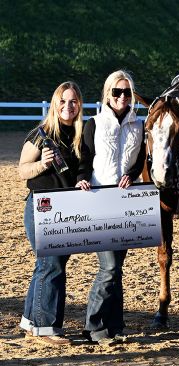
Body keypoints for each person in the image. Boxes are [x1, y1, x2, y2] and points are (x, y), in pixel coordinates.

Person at [76, 70, 146, 345]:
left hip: (126, 203)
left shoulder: (139, 126)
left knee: (118, 268)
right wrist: (82, 179)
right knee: (109, 267)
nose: (122, 97)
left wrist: (132, 173)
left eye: (127, 92)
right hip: (100, 200)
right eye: (117, 92)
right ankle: (93, 326)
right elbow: (85, 158)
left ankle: (115, 325)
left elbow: (140, 160)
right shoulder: (94, 123)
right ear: (108, 94)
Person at [18, 81, 84, 346]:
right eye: (63, 101)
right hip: (42, 207)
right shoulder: (41, 134)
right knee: (51, 264)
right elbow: (23, 170)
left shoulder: (79, 135)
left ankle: (30, 321)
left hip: (66, 208)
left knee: (47, 264)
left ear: (79, 105)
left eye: (73, 101)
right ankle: (45, 328)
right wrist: (42, 164)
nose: (68, 106)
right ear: (55, 104)